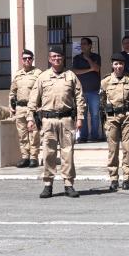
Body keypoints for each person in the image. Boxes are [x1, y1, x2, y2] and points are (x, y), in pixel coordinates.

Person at [27, 46, 86, 199]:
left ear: (63, 58)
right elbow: (33, 99)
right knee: (48, 153)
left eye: (59, 56)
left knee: (68, 153)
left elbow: (80, 99)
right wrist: (29, 118)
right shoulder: (43, 77)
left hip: (66, 120)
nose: (56, 59)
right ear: (49, 59)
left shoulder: (71, 76)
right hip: (48, 121)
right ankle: (48, 184)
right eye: (53, 57)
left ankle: (68, 184)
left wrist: (80, 118)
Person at [100, 52, 129, 191]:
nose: (118, 66)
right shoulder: (105, 81)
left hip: (127, 117)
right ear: (112, 65)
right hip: (112, 118)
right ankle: (113, 178)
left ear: (124, 65)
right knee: (113, 149)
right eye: (116, 64)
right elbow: (102, 101)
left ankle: (127, 178)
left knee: (127, 149)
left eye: (121, 64)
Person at [9, 49, 42, 168]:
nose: (27, 60)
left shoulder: (38, 73)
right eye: (25, 58)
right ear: (22, 60)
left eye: (29, 58)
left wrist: (40, 106)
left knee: (34, 133)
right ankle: (25, 157)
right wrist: (11, 106)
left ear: (32, 59)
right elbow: (12, 92)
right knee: (22, 134)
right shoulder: (18, 74)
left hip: (32, 107)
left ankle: (34, 157)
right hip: (20, 108)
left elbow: (42, 91)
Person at [72, 37, 103, 142]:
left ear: (90, 45)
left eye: (84, 44)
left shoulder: (96, 56)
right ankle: (83, 136)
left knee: (95, 114)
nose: (82, 46)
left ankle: (94, 136)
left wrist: (88, 59)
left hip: (94, 90)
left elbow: (97, 68)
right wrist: (90, 69)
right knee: (83, 114)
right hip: (81, 91)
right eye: (81, 44)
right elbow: (75, 71)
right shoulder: (76, 58)